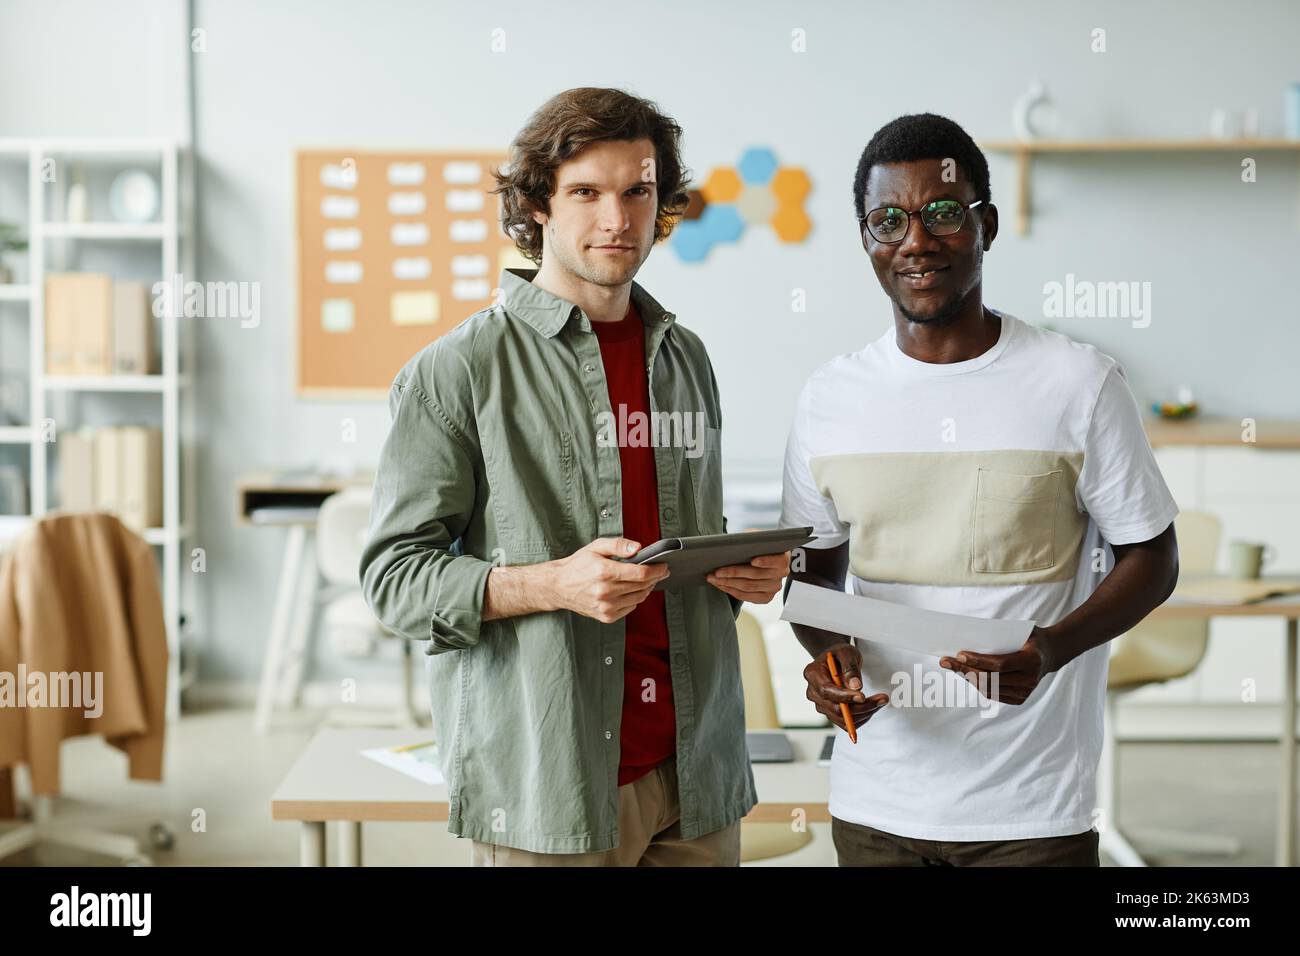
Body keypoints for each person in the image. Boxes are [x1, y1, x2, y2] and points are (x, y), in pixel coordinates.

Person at [360, 87, 789, 867]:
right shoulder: (456, 372)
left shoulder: (686, 358)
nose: (617, 220)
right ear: (538, 208)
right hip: (550, 783)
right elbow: (395, 580)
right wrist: (552, 584)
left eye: (638, 191)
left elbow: (686, 535)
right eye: (586, 192)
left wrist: (744, 569)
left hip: (697, 770)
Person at [781, 113, 1180, 866]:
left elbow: (1153, 557)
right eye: (887, 221)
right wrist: (829, 658)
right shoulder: (828, 398)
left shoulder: (1079, 383)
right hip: (876, 806)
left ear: (985, 224)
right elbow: (812, 580)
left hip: (1030, 811)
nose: (916, 242)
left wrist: (1053, 648)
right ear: (866, 241)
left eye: (941, 214)